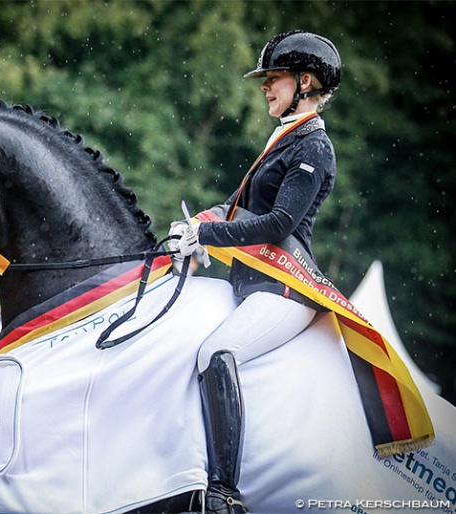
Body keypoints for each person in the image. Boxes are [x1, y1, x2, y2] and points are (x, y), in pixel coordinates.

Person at [169, 30, 341, 514]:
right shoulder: (284, 140)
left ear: (305, 82)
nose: (266, 88)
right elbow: (238, 208)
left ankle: (224, 492)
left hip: (285, 288)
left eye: (274, 79)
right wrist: (195, 224)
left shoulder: (313, 147)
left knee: (216, 352)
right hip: (250, 283)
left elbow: (279, 223)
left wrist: (206, 237)